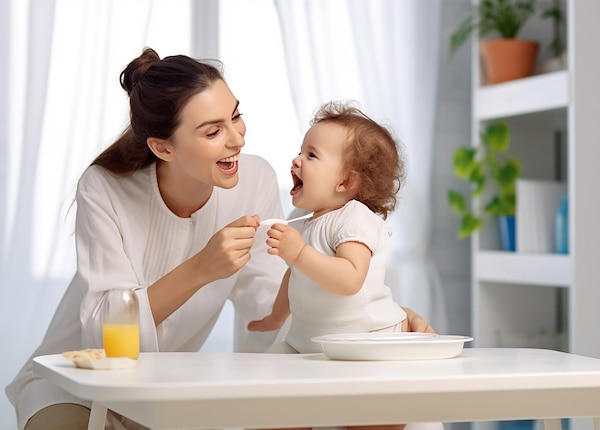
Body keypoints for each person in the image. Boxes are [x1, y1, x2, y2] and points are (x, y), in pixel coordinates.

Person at [5, 48, 434, 430]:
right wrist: (199, 270)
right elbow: (104, 335)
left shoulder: (256, 180)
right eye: (213, 131)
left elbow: (267, 312)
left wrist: (376, 319)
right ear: (164, 147)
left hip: (162, 393)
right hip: (72, 381)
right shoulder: (104, 188)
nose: (237, 138)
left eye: (236, 115)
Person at [248, 101, 431, 430]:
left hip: (370, 343)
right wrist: (276, 317)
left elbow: (350, 279)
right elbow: (294, 275)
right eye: (300, 151)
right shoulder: (301, 220)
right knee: (268, 400)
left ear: (345, 182)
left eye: (311, 155)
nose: (297, 160)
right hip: (310, 342)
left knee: (373, 421)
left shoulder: (354, 218)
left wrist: (299, 253)